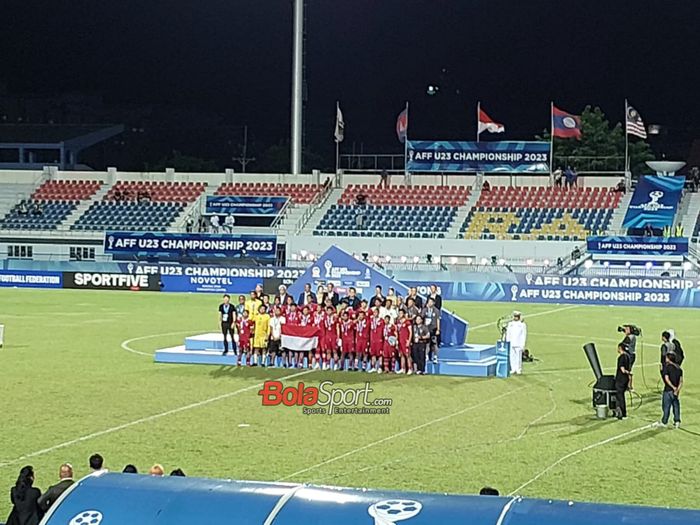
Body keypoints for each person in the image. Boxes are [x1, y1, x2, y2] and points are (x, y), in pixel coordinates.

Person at [655, 353, 683, 428]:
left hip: (668, 390)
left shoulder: (667, 367)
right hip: (675, 392)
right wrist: (677, 389)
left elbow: (666, 379)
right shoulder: (679, 368)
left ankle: (664, 422)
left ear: (669, 359)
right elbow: (681, 381)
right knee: (676, 406)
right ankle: (677, 421)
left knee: (666, 407)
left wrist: (661, 371)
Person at [614, 343, 631, 420]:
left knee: (620, 397)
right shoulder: (628, 356)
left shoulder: (621, 357)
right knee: (622, 396)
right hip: (626, 379)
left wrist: (626, 372)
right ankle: (622, 413)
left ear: (620, 348)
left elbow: (622, 369)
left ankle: (622, 413)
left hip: (620, 379)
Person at [422, 298, 441, 364]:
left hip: (433, 329)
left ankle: (435, 357)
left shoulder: (436, 310)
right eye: (428, 302)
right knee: (427, 343)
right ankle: (426, 356)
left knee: (434, 343)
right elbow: (422, 317)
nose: (429, 303)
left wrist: (438, 329)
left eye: (430, 302)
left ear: (433, 303)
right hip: (426, 329)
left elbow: (438, 320)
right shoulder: (425, 310)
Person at [368, 308, 385, 373]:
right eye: (374, 312)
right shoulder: (371, 320)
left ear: (378, 313)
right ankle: (373, 367)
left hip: (379, 339)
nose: (375, 314)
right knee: (373, 354)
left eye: (376, 312)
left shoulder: (381, 321)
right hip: (373, 339)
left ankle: (380, 367)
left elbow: (384, 330)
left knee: (380, 354)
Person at [397, 309, 413, 374]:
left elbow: (410, 332)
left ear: (403, 314)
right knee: (401, 355)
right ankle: (402, 368)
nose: (400, 314)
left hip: (405, 340)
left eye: (401, 313)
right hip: (400, 341)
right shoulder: (398, 322)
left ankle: (410, 368)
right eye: (399, 313)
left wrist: (409, 341)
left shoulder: (407, 322)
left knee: (407, 355)